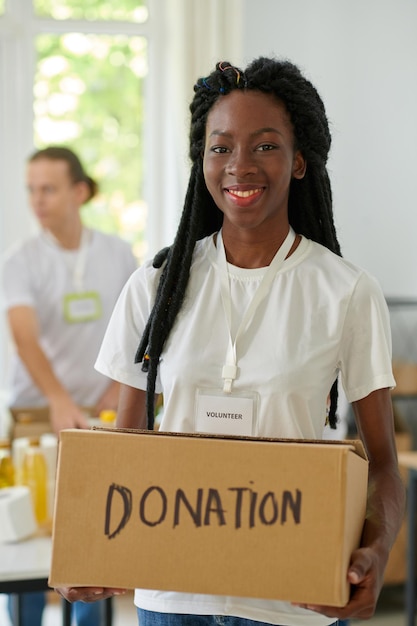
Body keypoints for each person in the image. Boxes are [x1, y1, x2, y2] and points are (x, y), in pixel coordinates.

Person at [57, 58, 405, 626]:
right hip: (172, 600)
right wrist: (86, 547)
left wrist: (377, 548)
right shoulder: (156, 286)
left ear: (299, 162)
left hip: (292, 600)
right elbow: (125, 446)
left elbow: (384, 464)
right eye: (220, 148)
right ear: (202, 161)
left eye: (265, 146)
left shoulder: (346, 291)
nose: (239, 166)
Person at [1, 146, 137, 626]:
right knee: (32, 542)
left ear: (79, 192)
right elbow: (23, 335)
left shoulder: (118, 253)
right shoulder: (21, 260)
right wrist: (58, 400)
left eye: (49, 189)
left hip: (100, 415)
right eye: (31, 190)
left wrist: (121, 389)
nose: (37, 200)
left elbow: (141, 328)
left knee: (92, 533)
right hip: (37, 417)